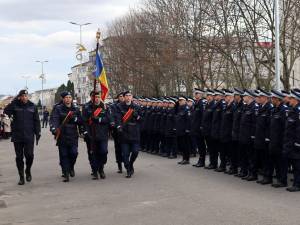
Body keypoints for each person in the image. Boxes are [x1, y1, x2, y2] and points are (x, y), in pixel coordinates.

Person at [4, 90, 41, 185]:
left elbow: (36, 121)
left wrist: (38, 132)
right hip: (17, 136)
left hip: (29, 135)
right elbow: (6, 111)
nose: (25, 97)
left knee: (30, 155)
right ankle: (21, 177)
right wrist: (14, 101)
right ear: (20, 97)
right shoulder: (15, 105)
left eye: (26, 95)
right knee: (19, 157)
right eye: (23, 96)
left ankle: (28, 170)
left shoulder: (33, 106)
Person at [51, 91, 87, 182]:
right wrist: (54, 129)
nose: (68, 99)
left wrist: (76, 120)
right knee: (64, 155)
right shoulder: (58, 109)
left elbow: (81, 121)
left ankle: (71, 167)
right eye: (66, 97)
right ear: (63, 99)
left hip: (73, 136)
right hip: (62, 136)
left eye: (69, 97)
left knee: (74, 153)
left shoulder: (76, 109)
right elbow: (54, 119)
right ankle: (66, 173)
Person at [82, 91, 114, 180]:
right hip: (92, 134)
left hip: (103, 134)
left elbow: (109, 119)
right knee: (93, 153)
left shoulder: (105, 107)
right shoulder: (87, 107)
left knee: (103, 152)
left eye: (98, 97)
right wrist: (86, 132)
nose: (97, 99)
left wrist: (99, 119)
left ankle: (101, 167)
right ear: (92, 98)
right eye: (95, 97)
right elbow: (84, 121)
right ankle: (96, 171)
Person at [115, 91, 142, 178]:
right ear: (124, 97)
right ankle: (128, 169)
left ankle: (130, 164)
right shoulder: (119, 107)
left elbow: (141, 119)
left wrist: (136, 115)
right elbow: (117, 118)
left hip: (134, 133)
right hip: (124, 133)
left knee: (135, 152)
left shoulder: (137, 107)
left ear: (132, 97)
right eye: (126, 96)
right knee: (125, 153)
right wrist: (118, 126)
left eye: (129, 95)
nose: (128, 97)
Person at [283, 89, 300, 192]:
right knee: (295, 163)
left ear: (296, 99)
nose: (289, 100)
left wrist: (298, 142)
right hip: (291, 141)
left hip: (296, 142)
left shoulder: (298, 111)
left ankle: (297, 184)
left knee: (297, 164)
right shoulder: (292, 110)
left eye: (291, 98)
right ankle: (296, 182)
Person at [192, 89, 207, 168]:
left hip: (199, 128)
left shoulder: (202, 103)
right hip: (195, 127)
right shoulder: (196, 103)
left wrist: (201, 126)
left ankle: (202, 161)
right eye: (195, 93)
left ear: (200, 94)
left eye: (196, 93)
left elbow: (203, 116)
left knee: (201, 145)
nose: (195, 94)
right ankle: (200, 160)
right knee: (199, 144)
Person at [110, 92, 125, 173]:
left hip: (127, 130)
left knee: (126, 148)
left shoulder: (128, 105)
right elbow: (112, 117)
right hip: (117, 130)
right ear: (118, 97)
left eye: (123, 96)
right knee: (118, 148)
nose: (122, 98)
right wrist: (114, 125)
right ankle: (119, 164)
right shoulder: (113, 106)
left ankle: (127, 162)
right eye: (120, 96)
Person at [176, 96, 192, 165]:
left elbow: (188, 120)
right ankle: (184, 158)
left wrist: (187, 129)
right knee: (182, 145)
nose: (179, 101)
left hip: (185, 130)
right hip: (180, 130)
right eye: (179, 100)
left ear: (185, 101)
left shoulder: (186, 108)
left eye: (181, 100)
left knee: (186, 145)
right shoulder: (180, 108)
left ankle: (187, 159)